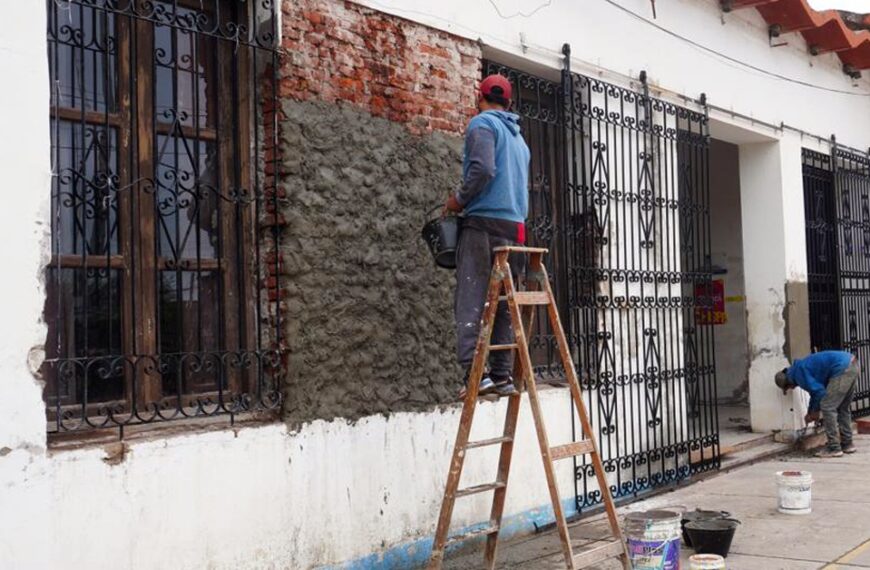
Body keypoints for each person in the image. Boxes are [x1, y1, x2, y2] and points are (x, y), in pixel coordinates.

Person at [443, 74, 530, 398]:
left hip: (483, 225)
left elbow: (482, 169)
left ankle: (474, 374)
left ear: (478, 96)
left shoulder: (482, 125)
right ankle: (502, 375)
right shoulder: (520, 141)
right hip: (513, 228)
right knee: (504, 303)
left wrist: (458, 200)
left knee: (471, 297)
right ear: (510, 103)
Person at [775, 350, 860, 457]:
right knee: (842, 407)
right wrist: (811, 411)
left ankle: (834, 447)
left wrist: (813, 412)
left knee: (828, 407)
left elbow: (819, 392)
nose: (792, 388)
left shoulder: (797, 374)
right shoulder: (800, 367)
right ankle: (847, 444)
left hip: (841, 368)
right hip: (852, 363)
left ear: (787, 383)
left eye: (788, 387)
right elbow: (816, 391)